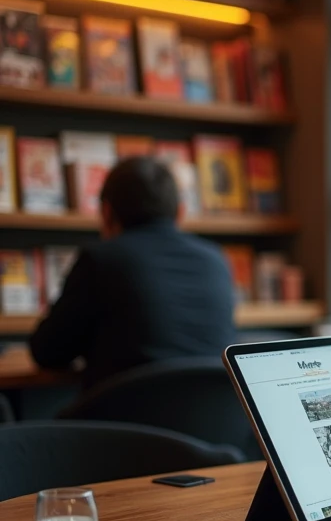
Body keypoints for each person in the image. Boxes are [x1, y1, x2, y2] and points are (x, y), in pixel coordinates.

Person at [30, 157, 236, 390]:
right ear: (180, 212)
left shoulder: (102, 259)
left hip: (123, 422)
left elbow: (47, 352)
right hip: (210, 421)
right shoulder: (216, 259)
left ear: (106, 212)